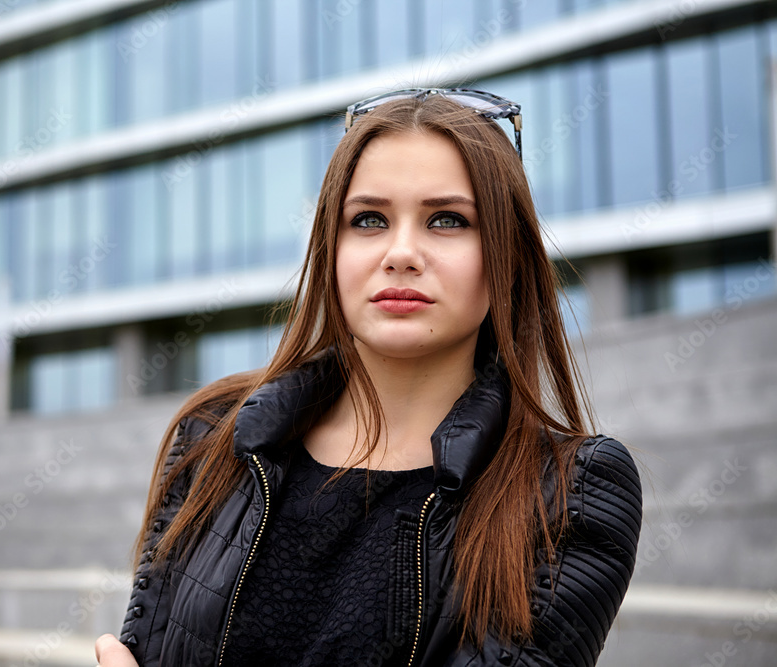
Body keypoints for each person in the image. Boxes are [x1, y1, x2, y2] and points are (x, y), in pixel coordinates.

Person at [95, 88, 643, 667]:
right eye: (370, 220)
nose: (401, 252)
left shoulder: (572, 492)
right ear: (330, 248)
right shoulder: (215, 438)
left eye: (447, 220)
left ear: (505, 255)